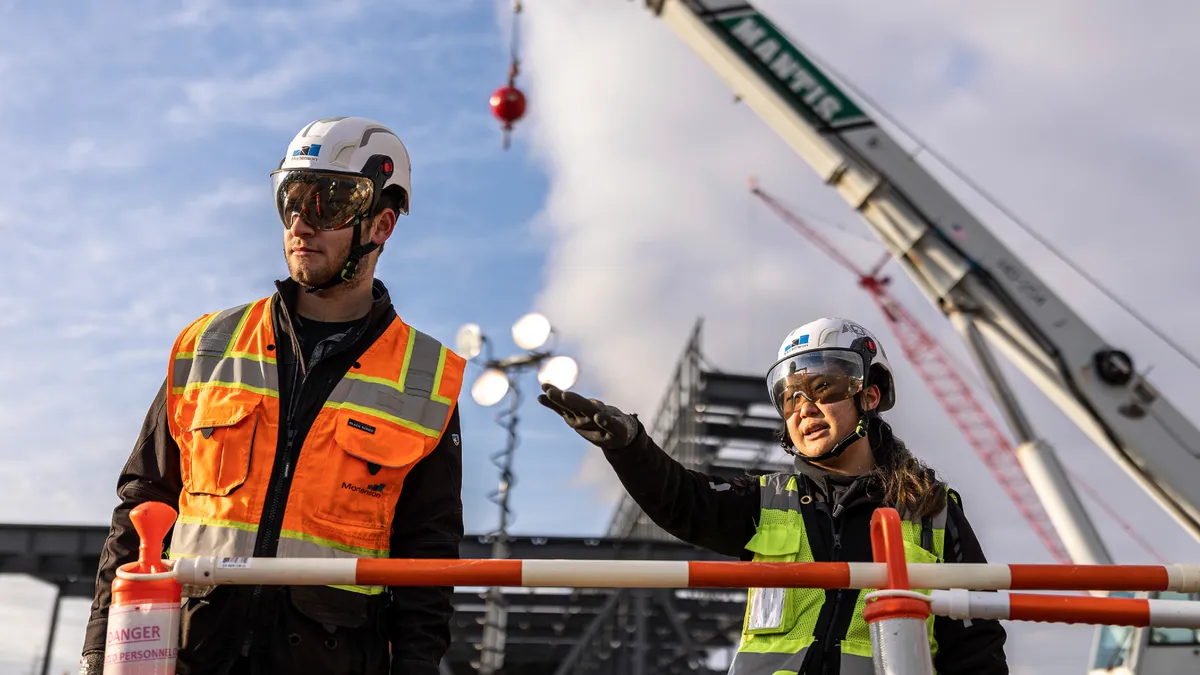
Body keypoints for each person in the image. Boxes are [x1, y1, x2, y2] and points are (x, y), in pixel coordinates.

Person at [79, 117, 467, 675]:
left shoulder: (426, 379)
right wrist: (101, 646)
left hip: (328, 659)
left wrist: (416, 666)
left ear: (382, 224)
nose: (301, 223)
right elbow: (141, 503)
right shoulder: (208, 345)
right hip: (193, 652)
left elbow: (427, 555)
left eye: (329, 203)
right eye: (291, 200)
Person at [538, 317, 1008, 674]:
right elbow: (682, 502)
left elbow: (976, 645)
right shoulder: (766, 501)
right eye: (790, 397)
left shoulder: (932, 510)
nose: (805, 408)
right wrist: (630, 446)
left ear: (870, 395)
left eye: (825, 386)